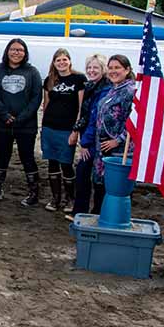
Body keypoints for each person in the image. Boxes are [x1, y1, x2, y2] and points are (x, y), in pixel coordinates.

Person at [0, 38, 43, 206]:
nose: (16, 52)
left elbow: (36, 98)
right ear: (7, 51)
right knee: (3, 155)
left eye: (20, 50)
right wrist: (4, 114)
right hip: (2, 123)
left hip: (26, 125)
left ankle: (34, 192)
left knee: (27, 157)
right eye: (13, 49)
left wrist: (21, 118)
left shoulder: (32, 72)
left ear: (25, 53)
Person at [41, 48, 86, 213]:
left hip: (67, 129)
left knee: (66, 163)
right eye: (58, 60)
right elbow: (46, 105)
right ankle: (55, 198)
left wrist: (76, 130)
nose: (61, 63)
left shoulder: (79, 79)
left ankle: (70, 199)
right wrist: (43, 127)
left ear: (69, 61)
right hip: (49, 127)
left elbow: (81, 107)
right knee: (52, 162)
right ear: (54, 63)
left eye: (64, 59)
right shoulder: (50, 80)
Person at [91, 55, 136, 215]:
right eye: (110, 68)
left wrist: (118, 140)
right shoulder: (113, 89)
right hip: (103, 147)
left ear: (127, 70)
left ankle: (113, 218)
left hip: (120, 151)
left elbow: (135, 121)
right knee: (100, 186)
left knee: (117, 187)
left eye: (117, 68)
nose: (113, 71)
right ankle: (98, 216)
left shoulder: (130, 91)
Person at [71, 54, 110, 216]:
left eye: (96, 68)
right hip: (88, 136)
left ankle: (96, 211)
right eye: (89, 68)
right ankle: (81, 210)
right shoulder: (89, 87)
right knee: (82, 174)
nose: (91, 71)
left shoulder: (105, 89)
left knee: (95, 177)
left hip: (98, 141)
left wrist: (85, 143)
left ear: (103, 69)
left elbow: (94, 117)